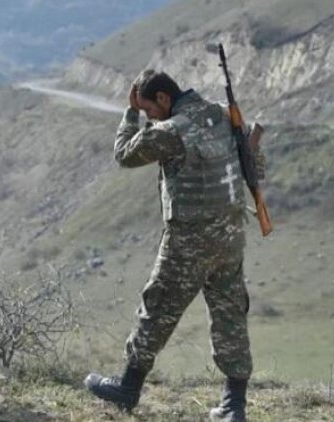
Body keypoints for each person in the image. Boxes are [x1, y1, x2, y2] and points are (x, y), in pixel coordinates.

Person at [84, 70, 255, 422]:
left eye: (150, 110)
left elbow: (124, 154)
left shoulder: (171, 131)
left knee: (157, 308)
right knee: (230, 316)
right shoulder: (221, 114)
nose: (150, 117)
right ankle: (234, 405)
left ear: (163, 99)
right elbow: (250, 157)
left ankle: (128, 389)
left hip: (189, 240)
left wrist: (130, 113)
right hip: (230, 235)